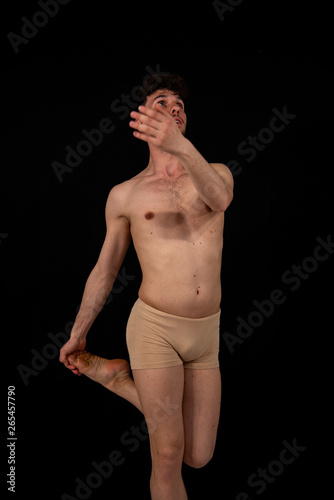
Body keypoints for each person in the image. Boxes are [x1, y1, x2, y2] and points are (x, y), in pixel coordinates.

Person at [59, 73, 234, 500]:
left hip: (205, 333)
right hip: (155, 328)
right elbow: (104, 270)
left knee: (199, 455)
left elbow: (220, 200)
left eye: (180, 104)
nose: (175, 107)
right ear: (140, 119)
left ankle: (118, 379)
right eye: (162, 101)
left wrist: (180, 146)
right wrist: (78, 333)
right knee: (169, 451)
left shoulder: (216, 173)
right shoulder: (126, 195)